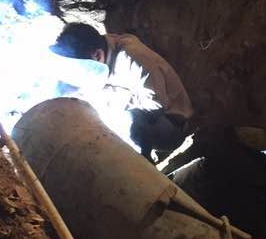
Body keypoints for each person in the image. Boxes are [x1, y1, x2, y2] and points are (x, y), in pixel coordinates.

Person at [51, 21, 194, 160]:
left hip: (170, 124)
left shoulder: (133, 59)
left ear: (98, 55)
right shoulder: (99, 48)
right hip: (145, 114)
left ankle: (142, 165)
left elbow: (156, 105)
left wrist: (105, 98)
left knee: (128, 122)